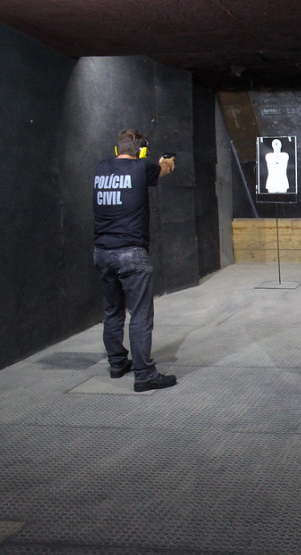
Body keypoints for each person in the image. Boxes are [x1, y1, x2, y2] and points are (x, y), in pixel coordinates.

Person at [92, 129, 177, 392]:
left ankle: (117, 364)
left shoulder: (101, 168)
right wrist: (168, 161)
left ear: (117, 150)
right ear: (141, 151)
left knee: (113, 311)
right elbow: (163, 170)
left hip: (102, 252)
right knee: (140, 315)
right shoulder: (143, 167)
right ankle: (144, 374)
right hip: (131, 253)